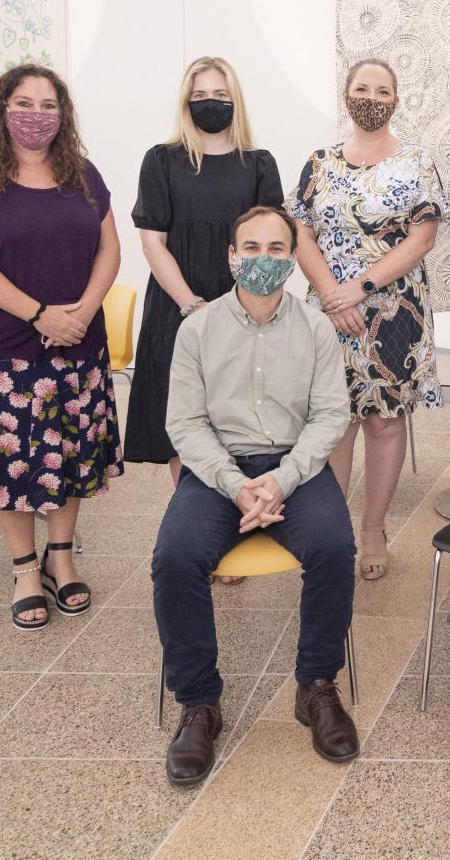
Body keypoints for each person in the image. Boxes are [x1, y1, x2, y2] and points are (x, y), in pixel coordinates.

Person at [153, 206, 358, 784]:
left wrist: (282, 480)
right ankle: (199, 703)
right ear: (231, 256)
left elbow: (330, 416)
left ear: (292, 260)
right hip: (219, 470)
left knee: (333, 548)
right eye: (251, 247)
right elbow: (185, 423)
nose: (262, 259)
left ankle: (316, 686)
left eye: (275, 249)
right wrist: (236, 484)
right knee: (175, 558)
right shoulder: (197, 330)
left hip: (295, 466)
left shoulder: (316, 328)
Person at [0, 63, 123, 631]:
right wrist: (41, 314)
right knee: (12, 465)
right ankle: (24, 570)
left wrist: (82, 313)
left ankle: (61, 558)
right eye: (24, 103)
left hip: (78, 345)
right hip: (5, 351)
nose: (36, 115)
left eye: (49, 105)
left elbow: (109, 250)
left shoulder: (83, 176)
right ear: (2, 110)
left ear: (62, 115)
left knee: (69, 457)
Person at [288, 58, 446, 582]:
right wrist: (333, 296)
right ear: (346, 94)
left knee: (383, 420)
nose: (371, 98)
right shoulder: (319, 163)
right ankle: (333, 531)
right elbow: (299, 233)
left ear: (396, 100)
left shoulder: (417, 162)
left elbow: (422, 239)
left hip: (394, 311)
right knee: (335, 422)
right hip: (329, 312)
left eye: (382, 91)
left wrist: (360, 288)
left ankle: (374, 527)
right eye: (362, 88)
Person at [128, 56, 283, 484]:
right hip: (177, 308)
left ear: (235, 101)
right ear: (185, 101)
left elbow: (269, 247)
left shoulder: (259, 163)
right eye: (199, 95)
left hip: (244, 311)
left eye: (219, 94)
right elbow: (153, 243)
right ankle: (192, 512)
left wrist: (240, 309)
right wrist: (193, 307)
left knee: (243, 420)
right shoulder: (161, 161)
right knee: (184, 425)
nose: (209, 102)